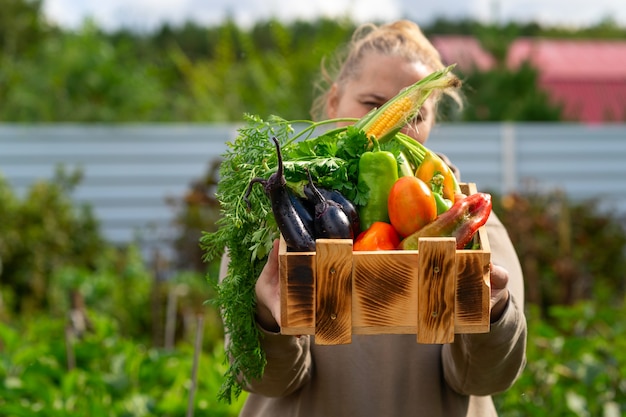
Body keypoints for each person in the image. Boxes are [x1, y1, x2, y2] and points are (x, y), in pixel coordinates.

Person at [222, 20, 527, 417]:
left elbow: (486, 379)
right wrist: (267, 318)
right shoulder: (276, 209)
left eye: (415, 113)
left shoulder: (468, 218)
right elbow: (264, 380)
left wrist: (493, 313)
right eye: (372, 104)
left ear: (433, 122)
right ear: (334, 102)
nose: (396, 123)